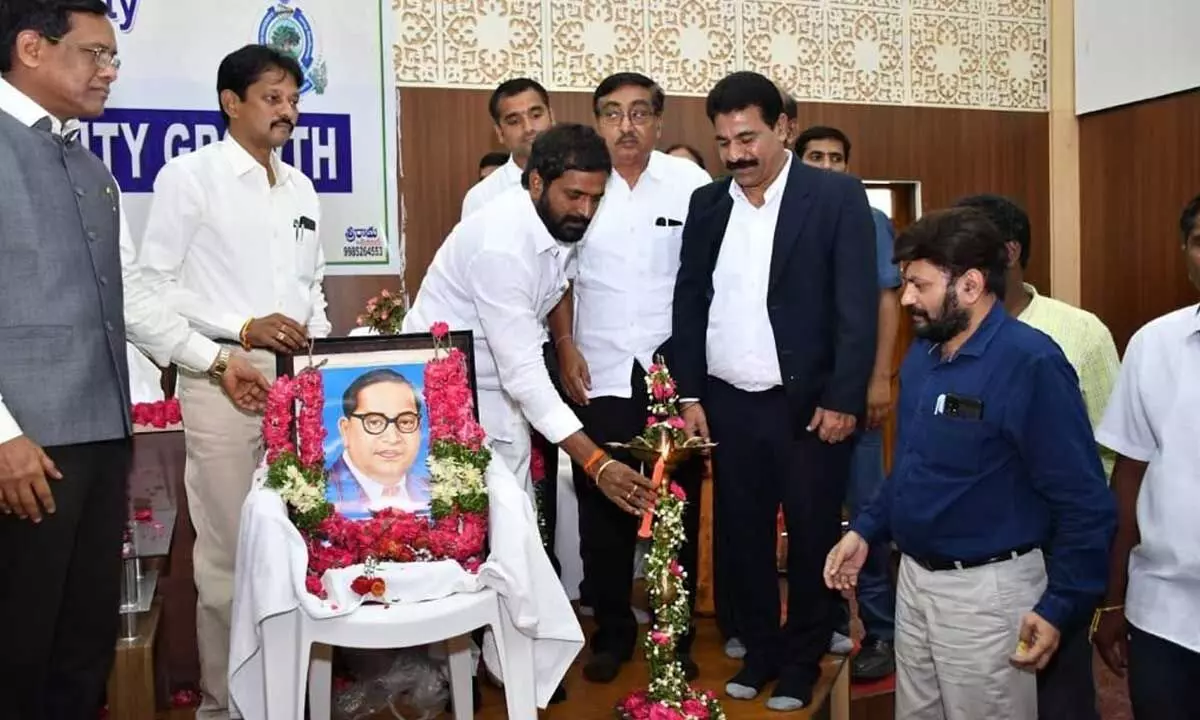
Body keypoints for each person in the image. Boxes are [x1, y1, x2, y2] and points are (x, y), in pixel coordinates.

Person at [0, 3, 269, 718]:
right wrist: (1, 436)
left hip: (99, 442)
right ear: (31, 47)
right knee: (15, 646)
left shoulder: (90, 167)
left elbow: (133, 298)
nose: (110, 70)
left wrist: (213, 361)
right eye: (94, 53)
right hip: (22, 451)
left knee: (81, 640)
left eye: (112, 56)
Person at [825, 207, 1116, 720]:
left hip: (988, 597)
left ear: (971, 284)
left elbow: (1085, 503)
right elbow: (913, 468)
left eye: (919, 284)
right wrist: (865, 529)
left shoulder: (1031, 364)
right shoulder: (923, 354)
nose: (906, 298)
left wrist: (1060, 606)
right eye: (904, 283)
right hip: (913, 585)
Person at [136, 43, 332, 717]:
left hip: (298, 389)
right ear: (232, 103)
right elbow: (153, 287)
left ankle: (289, 699)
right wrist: (241, 327)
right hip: (220, 379)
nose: (288, 111)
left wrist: (320, 365)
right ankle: (224, 706)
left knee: (298, 547)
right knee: (225, 557)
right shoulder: (190, 177)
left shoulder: (302, 188)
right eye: (273, 98)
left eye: (294, 99)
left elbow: (313, 289)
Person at [672, 71, 878, 710]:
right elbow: (690, 301)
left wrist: (844, 396)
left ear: (784, 127)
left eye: (749, 137)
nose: (736, 153)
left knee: (814, 535)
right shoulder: (708, 204)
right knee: (742, 534)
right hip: (731, 402)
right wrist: (689, 394)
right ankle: (760, 648)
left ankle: (801, 660)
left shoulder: (836, 198)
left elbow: (856, 306)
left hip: (810, 407)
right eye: (724, 140)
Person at [404, 118, 658, 573]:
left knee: (510, 533)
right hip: (442, 398)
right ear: (537, 181)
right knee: (460, 541)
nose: (585, 210)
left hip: (497, 395)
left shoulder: (555, 224)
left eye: (596, 198)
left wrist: (563, 341)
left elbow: (556, 286)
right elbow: (523, 372)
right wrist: (597, 463)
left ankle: (503, 641)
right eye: (574, 196)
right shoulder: (502, 244)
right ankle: (462, 642)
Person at [547, 72, 711, 684]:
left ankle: (677, 633)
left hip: (672, 377)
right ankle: (613, 633)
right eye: (613, 114)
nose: (627, 126)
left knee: (677, 510)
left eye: (640, 113)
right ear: (597, 121)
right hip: (601, 370)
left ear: (659, 123)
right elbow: (558, 276)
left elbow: (703, 284)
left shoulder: (690, 186)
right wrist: (564, 345)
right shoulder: (582, 186)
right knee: (603, 510)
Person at [954, 194, 1120, 720]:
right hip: (973, 550)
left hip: (1053, 547)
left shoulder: (1078, 333)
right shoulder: (948, 331)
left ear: (1008, 252)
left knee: (1058, 687)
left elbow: (1112, 453)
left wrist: (1093, 561)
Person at [795, 124, 903, 679]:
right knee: (815, 515)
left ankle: (882, 631)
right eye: (817, 157)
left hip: (857, 396)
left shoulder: (869, 219)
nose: (829, 166)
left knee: (868, 512)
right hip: (799, 400)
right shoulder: (780, 215)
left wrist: (880, 377)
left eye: (838, 158)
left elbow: (888, 301)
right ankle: (831, 621)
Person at [1092, 194, 1200, 720]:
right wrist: (1113, 599)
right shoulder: (1153, 345)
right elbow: (1128, 478)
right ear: (1184, 250)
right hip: (1164, 612)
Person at [327, 369, 430, 517]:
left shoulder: (439, 491)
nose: (392, 438)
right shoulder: (316, 494)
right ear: (345, 430)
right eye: (374, 422)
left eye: (406, 421)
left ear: (419, 428)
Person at [460, 77, 554, 219]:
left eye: (536, 115)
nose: (528, 128)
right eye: (514, 121)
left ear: (552, 117)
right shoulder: (482, 197)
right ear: (500, 133)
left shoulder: (582, 180)